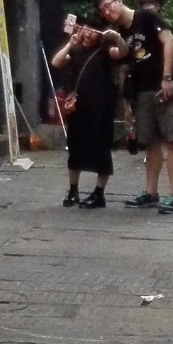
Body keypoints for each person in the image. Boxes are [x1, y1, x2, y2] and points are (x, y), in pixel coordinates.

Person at [97, 0, 173, 213]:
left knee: (172, 138)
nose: (107, 12)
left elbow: (169, 42)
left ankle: (172, 195)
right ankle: (151, 192)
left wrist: (167, 77)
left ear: (119, 0)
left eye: (108, 6)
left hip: (164, 85)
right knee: (151, 142)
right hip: (143, 90)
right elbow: (124, 58)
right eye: (102, 11)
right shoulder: (121, 31)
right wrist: (127, 104)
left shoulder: (146, 16)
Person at [51, 17, 117, 207]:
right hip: (78, 108)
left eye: (93, 31)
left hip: (101, 108)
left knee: (102, 148)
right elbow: (56, 62)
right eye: (86, 29)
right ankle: (73, 190)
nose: (88, 33)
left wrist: (116, 38)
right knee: (75, 147)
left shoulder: (105, 51)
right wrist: (69, 44)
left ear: (100, 34)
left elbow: (122, 51)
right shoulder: (76, 50)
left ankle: (99, 193)